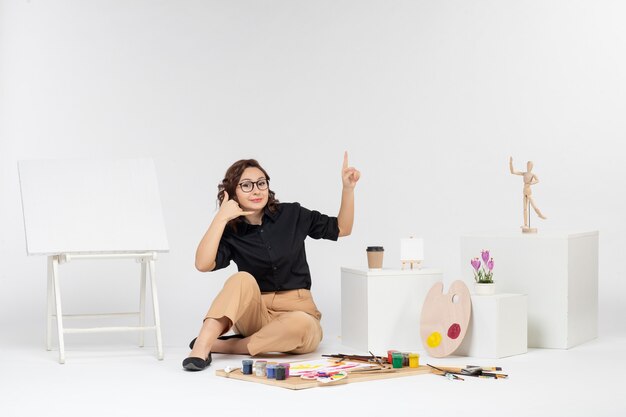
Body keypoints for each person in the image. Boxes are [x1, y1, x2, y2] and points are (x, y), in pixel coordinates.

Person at [183, 152, 361, 371]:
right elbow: (202, 264)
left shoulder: (292, 214)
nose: (256, 190)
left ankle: (227, 346)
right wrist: (220, 218)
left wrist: (348, 189)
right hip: (255, 314)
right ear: (232, 192)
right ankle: (202, 346)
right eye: (246, 185)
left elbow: (342, 229)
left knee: (303, 325)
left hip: (298, 313)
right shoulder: (232, 231)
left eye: (261, 183)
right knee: (241, 279)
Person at [509, 156, 546, 230]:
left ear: (532, 167)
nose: (528, 167)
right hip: (524, 190)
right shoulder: (524, 173)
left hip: (528, 190)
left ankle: (540, 214)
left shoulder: (532, 174)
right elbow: (513, 172)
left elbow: (537, 180)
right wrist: (510, 163)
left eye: (529, 165)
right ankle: (525, 224)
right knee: (525, 209)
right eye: (527, 165)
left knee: (533, 205)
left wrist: (531, 183)